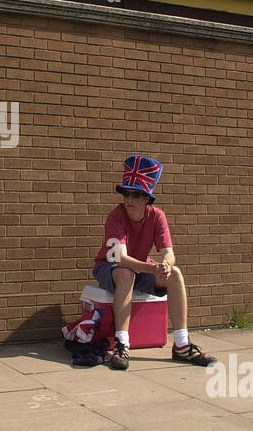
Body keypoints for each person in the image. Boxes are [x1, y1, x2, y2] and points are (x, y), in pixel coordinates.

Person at [92, 155, 216, 371]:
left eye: (136, 195)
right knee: (125, 273)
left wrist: (166, 264)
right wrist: (151, 267)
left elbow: (169, 252)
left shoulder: (157, 216)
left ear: (146, 199)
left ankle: (182, 345)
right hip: (109, 267)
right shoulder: (116, 216)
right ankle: (122, 344)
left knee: (175, 273)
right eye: (126, 193)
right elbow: (118, 257)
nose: (129, 199)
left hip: (139, 265)